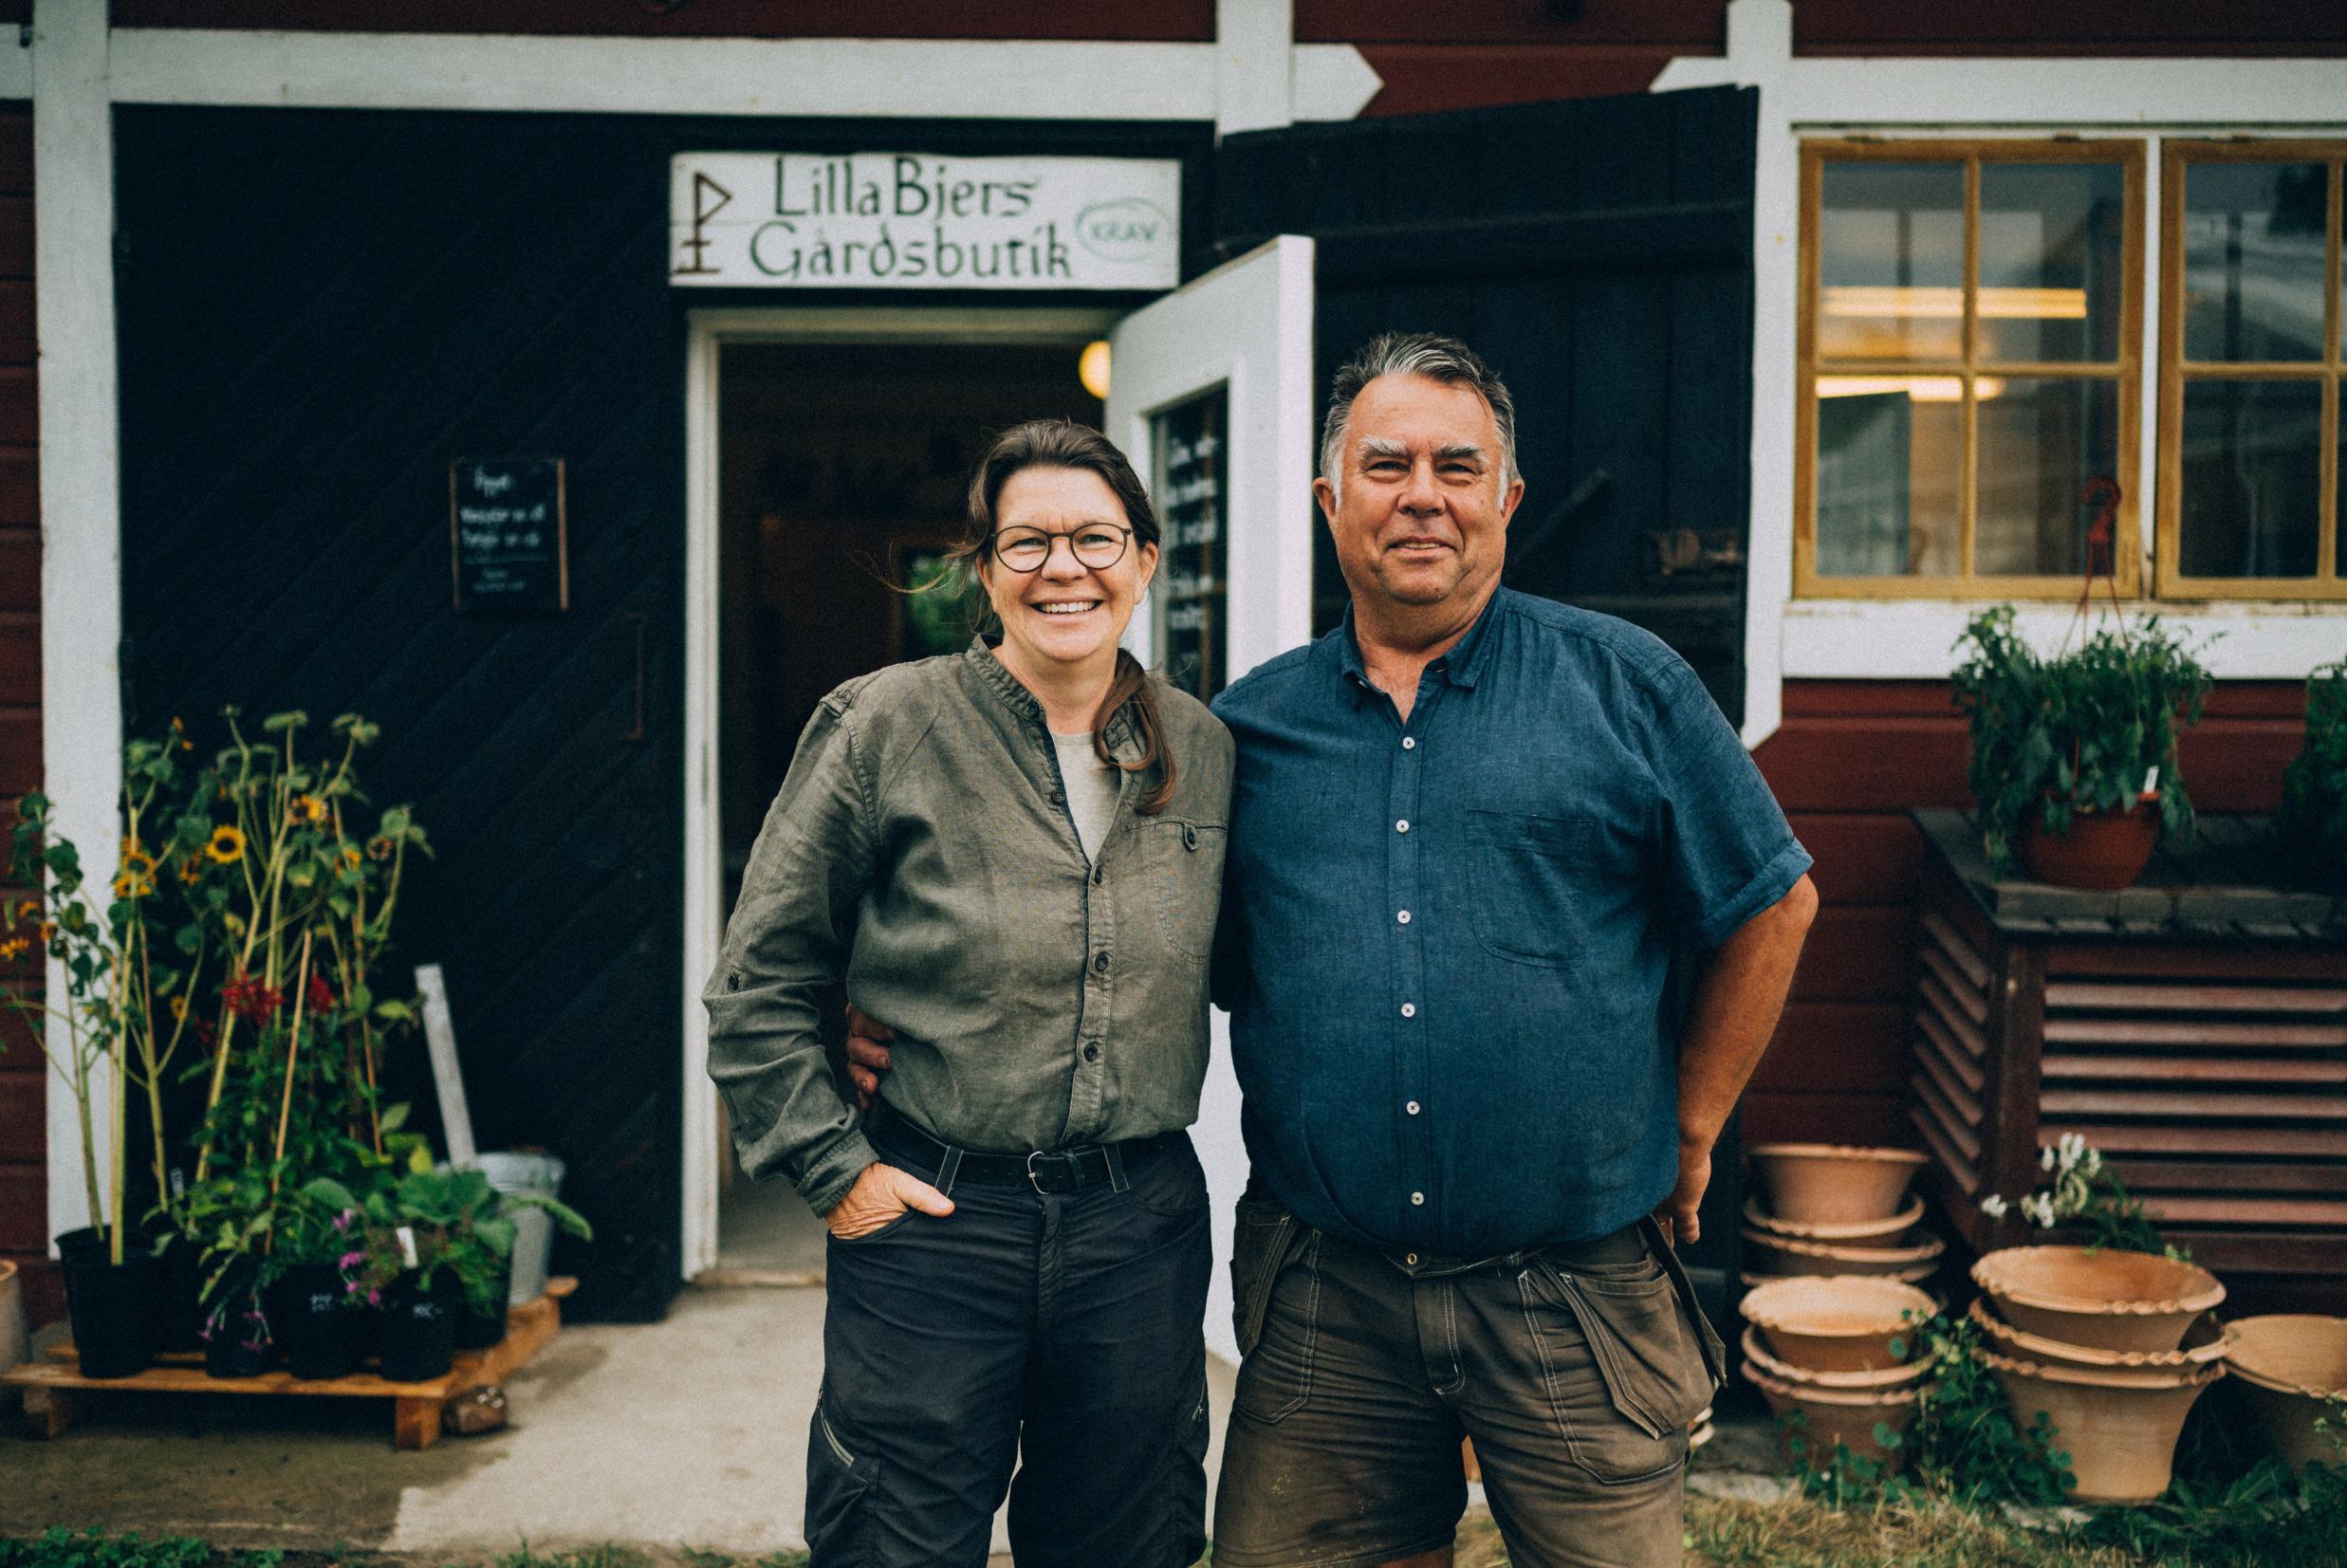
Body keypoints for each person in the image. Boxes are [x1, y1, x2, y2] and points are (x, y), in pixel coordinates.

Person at [1205, 333, 1819, 1568]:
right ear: (1330, 499)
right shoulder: (1249, 728)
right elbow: (1159, 946)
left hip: (1573, 1289)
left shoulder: (1625, 687)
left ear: (1507, 497)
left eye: (1456, 466)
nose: (1420, 495)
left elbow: (1774, 904)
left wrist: (1693, 1126)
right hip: (1329, 1293)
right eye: (1385, 465)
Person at [705, 418, 1234, 1568]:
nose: (1062, 568)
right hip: (936, 1222)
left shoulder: (1201, 746)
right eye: (1026, 541)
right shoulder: (883, 723)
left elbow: (1244, 960)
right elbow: (758, 978)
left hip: (1137, 1232)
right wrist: (835, 1170)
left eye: (1095, 538)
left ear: (1145, 559)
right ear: (983, 569)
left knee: (1126, 1542)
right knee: (893, 1540)